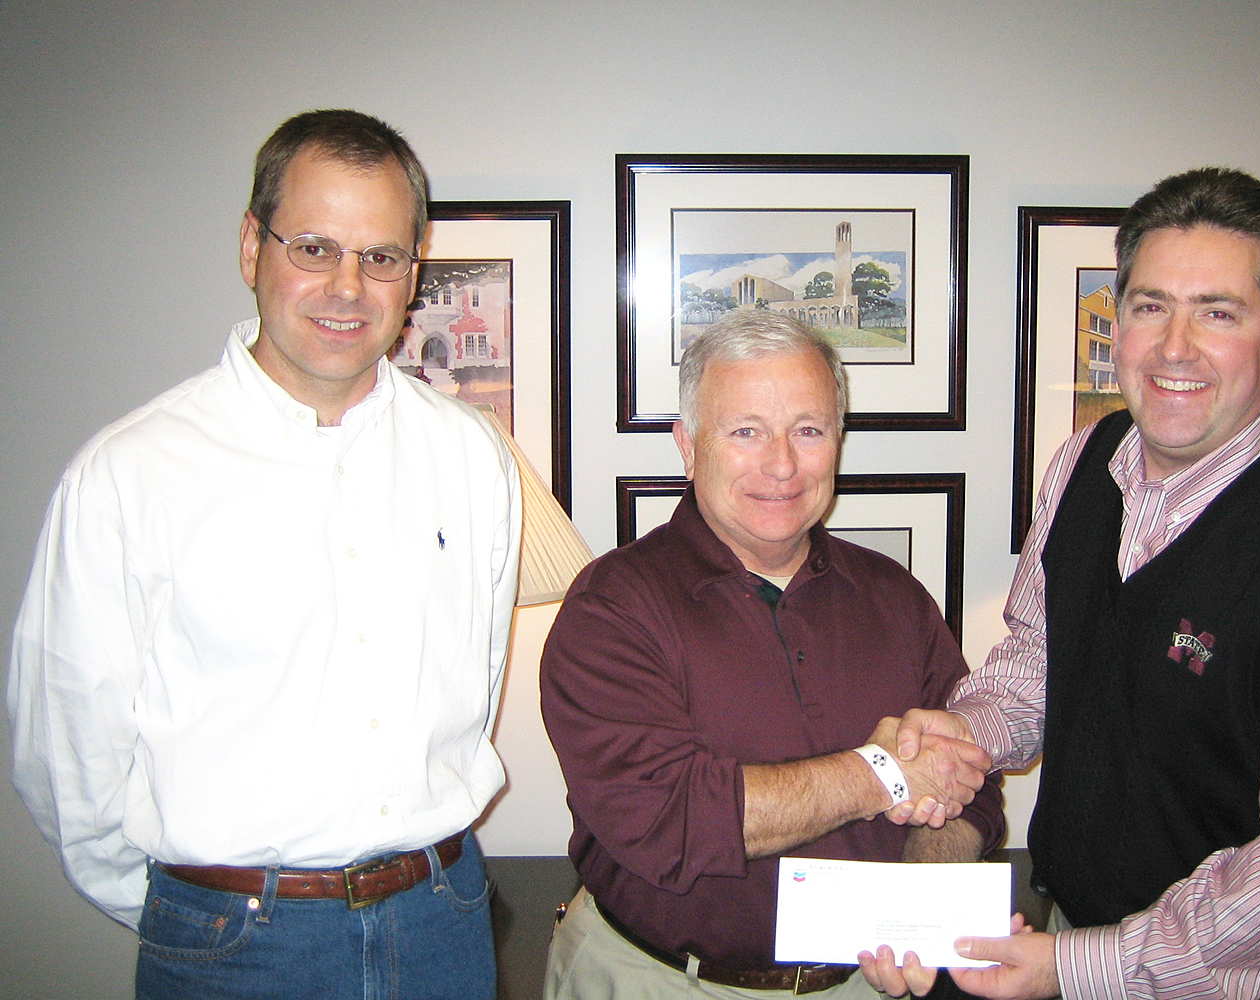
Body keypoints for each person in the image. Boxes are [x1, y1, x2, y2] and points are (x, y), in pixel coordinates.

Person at [860, 167, 1260, 1000]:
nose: (1173, 347)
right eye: (1149, 305)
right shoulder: (1085, 462)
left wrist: (1080, 969)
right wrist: (959, 736)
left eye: (1218, 313)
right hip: (1079, 938)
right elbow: (1037, 659)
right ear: (1116, 323)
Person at [8, 109, 521, 999]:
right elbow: (66, 758)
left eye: (381, 256)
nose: (348, 288)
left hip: (441, 921)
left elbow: (472, 691)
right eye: (314, 248)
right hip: (233, 945)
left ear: (412, 272)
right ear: (252, 247)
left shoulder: (471, 456)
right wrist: (200, 907)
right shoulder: (129, 473)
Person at [540, 311, 1005, 998]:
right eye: (746, 431)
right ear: (689, 446)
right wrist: (883, 773)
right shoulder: (611, 607)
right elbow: (668, 818)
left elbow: (972, 787)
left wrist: (918, 906)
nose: (781, 464)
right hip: (662, 981)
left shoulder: (895, 597)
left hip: (863, 983)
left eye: (808, 431)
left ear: (836, 443)